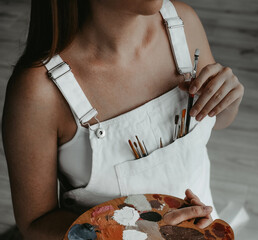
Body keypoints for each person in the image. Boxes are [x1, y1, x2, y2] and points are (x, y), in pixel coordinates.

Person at [2, 0, 244, 239]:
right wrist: (136, 231)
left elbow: (219, 120)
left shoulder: (184, 23)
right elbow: (35, 224)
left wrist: (228, 100)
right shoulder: (38, 91)